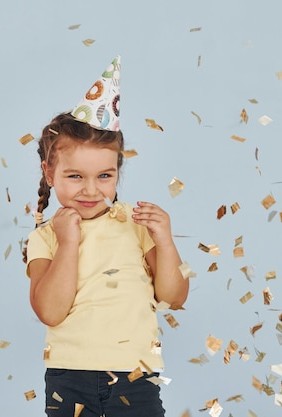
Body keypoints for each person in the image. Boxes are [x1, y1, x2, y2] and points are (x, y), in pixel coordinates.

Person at [24, 56, 189, 417]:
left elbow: (174, 298)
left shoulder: (134, 223)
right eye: (74, 176)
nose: (90, 189)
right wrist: (69, 242)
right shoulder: (47, 237)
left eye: (104, 176)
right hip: (70, 377)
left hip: (136, 374)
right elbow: (50, 312)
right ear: (49, 173)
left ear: (117, 173)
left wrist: (165, 240)